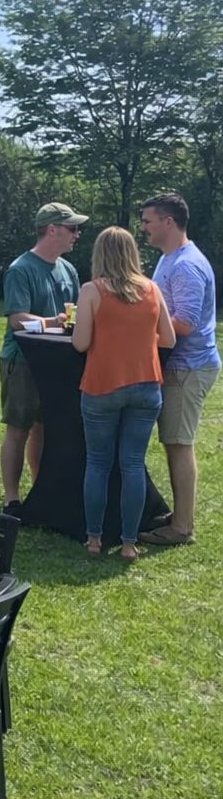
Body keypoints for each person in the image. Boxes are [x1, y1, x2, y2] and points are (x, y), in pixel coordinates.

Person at [71, 227, 175, 561]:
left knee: (98, 463)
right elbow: (169, 339)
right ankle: (129, 543)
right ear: (133, 254)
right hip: (146, 386)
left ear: (99, 255)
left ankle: (94, 539)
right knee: (133, 463)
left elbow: (80, 343)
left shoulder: (92, 290)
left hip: (102, 386)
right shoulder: (152, 289)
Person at [138, 192, 220, 546]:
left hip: (188, 367)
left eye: (147, 221)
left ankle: (182, 527)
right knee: (173, 442)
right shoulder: (170, 258)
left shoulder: (185, 264)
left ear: (168, 222)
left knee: (178, 443)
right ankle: (180, 514)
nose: (143, 228)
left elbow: (183, 323)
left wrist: (133, 331)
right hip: (179, 365)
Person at [0, 202, 86, 514]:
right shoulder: (21, 269)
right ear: (52, 230)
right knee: (19, 428)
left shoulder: (68, 269)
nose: (77, 234)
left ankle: (39, 489)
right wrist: (55, 322)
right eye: (72, 228)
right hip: (22, 360)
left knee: (44, 428)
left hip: (57, 362)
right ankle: (12, 499)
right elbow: (17, 319)